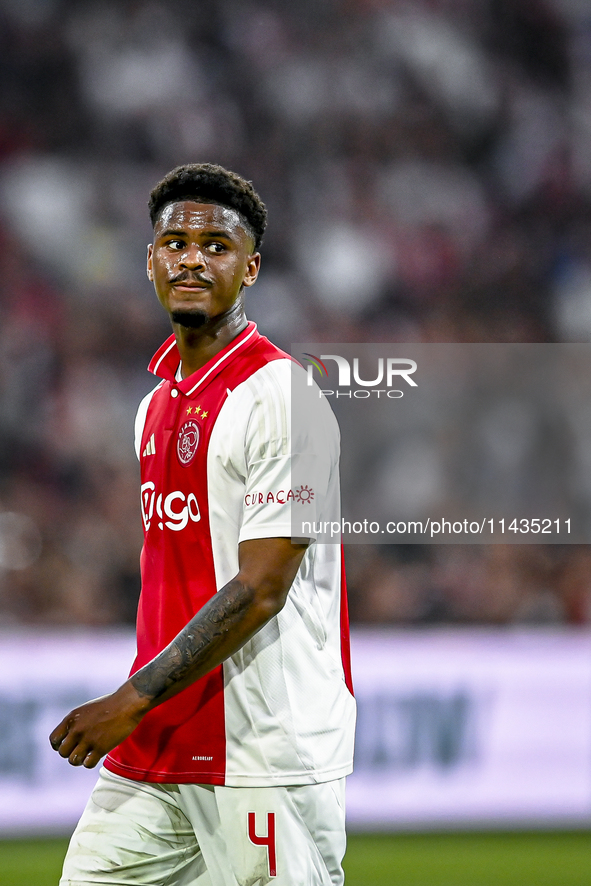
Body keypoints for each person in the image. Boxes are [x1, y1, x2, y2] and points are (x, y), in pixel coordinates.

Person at [50, 163, 356, 886]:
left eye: (215, 246)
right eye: (174, 242)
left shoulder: (284, 398)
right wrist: (145, 707)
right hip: (155, 750)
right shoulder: (154, 405)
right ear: (150, 260)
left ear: (249, 269)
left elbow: (260, 588)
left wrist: (129, 697)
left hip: (261, 751)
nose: (191, 258)